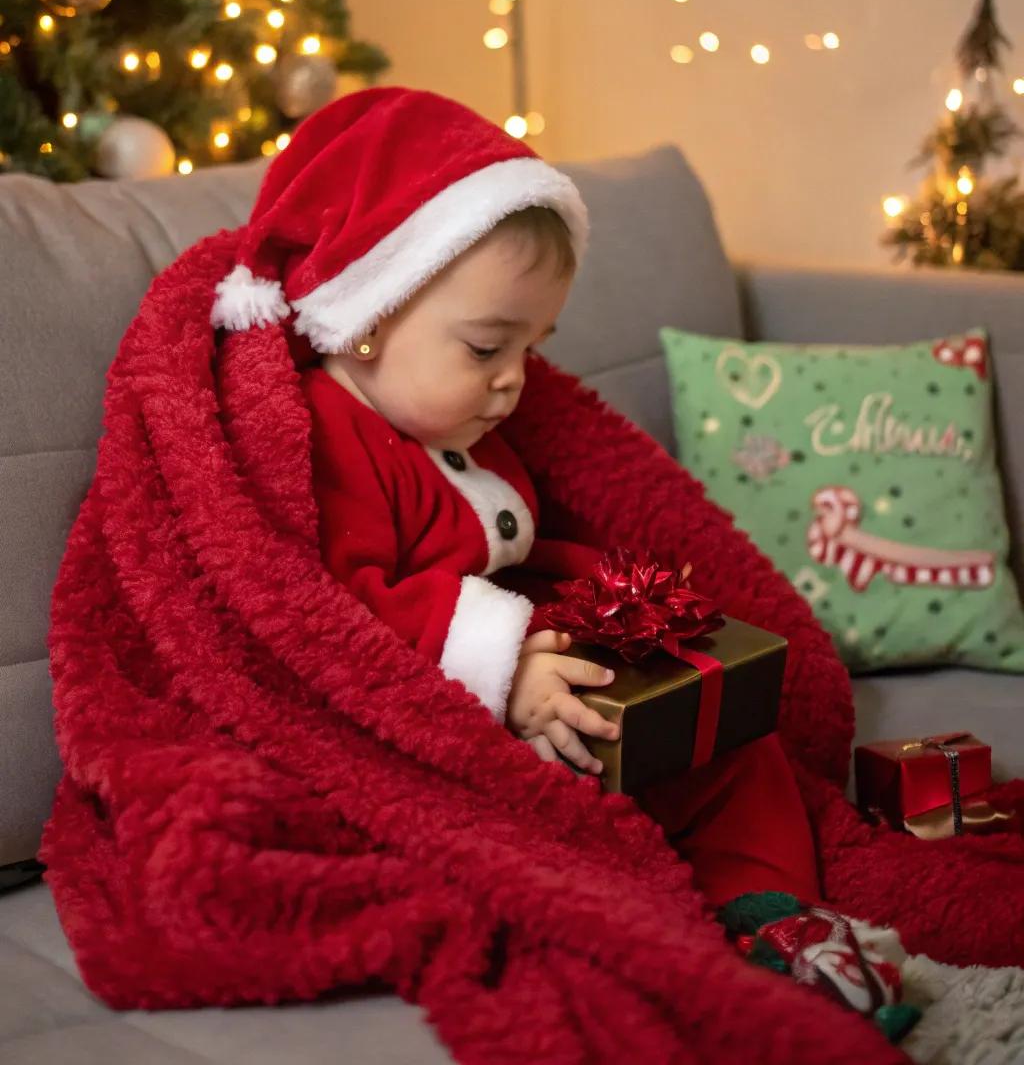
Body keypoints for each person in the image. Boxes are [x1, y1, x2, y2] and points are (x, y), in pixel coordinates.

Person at [210, 84, 920, 1038]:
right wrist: (501, 675)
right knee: (570, 830)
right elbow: (331, 611)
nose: (515, 382)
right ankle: (671, 951)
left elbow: (535, 544)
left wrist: (610, 610)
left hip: (549, 677)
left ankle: (772, 917)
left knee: (737, 751)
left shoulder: (460, 421)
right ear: (370, 311)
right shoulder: (334, 435)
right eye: (487, 346)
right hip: (453, 723)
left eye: (535, 346)